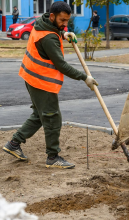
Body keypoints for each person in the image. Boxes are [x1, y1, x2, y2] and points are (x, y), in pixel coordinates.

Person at [2, 2, 98, 169]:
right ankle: (53, 157)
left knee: (40, 115)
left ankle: (14, 143)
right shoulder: (48, 37)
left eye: (67, 21)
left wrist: (64, 33)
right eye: (62, 20)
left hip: (30, 75)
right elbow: (61, 65)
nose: (65, 24)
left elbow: (54, 31)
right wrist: (84, 78)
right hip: (41, 80)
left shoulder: (43, 23)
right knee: (52, 116)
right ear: (52, 16)